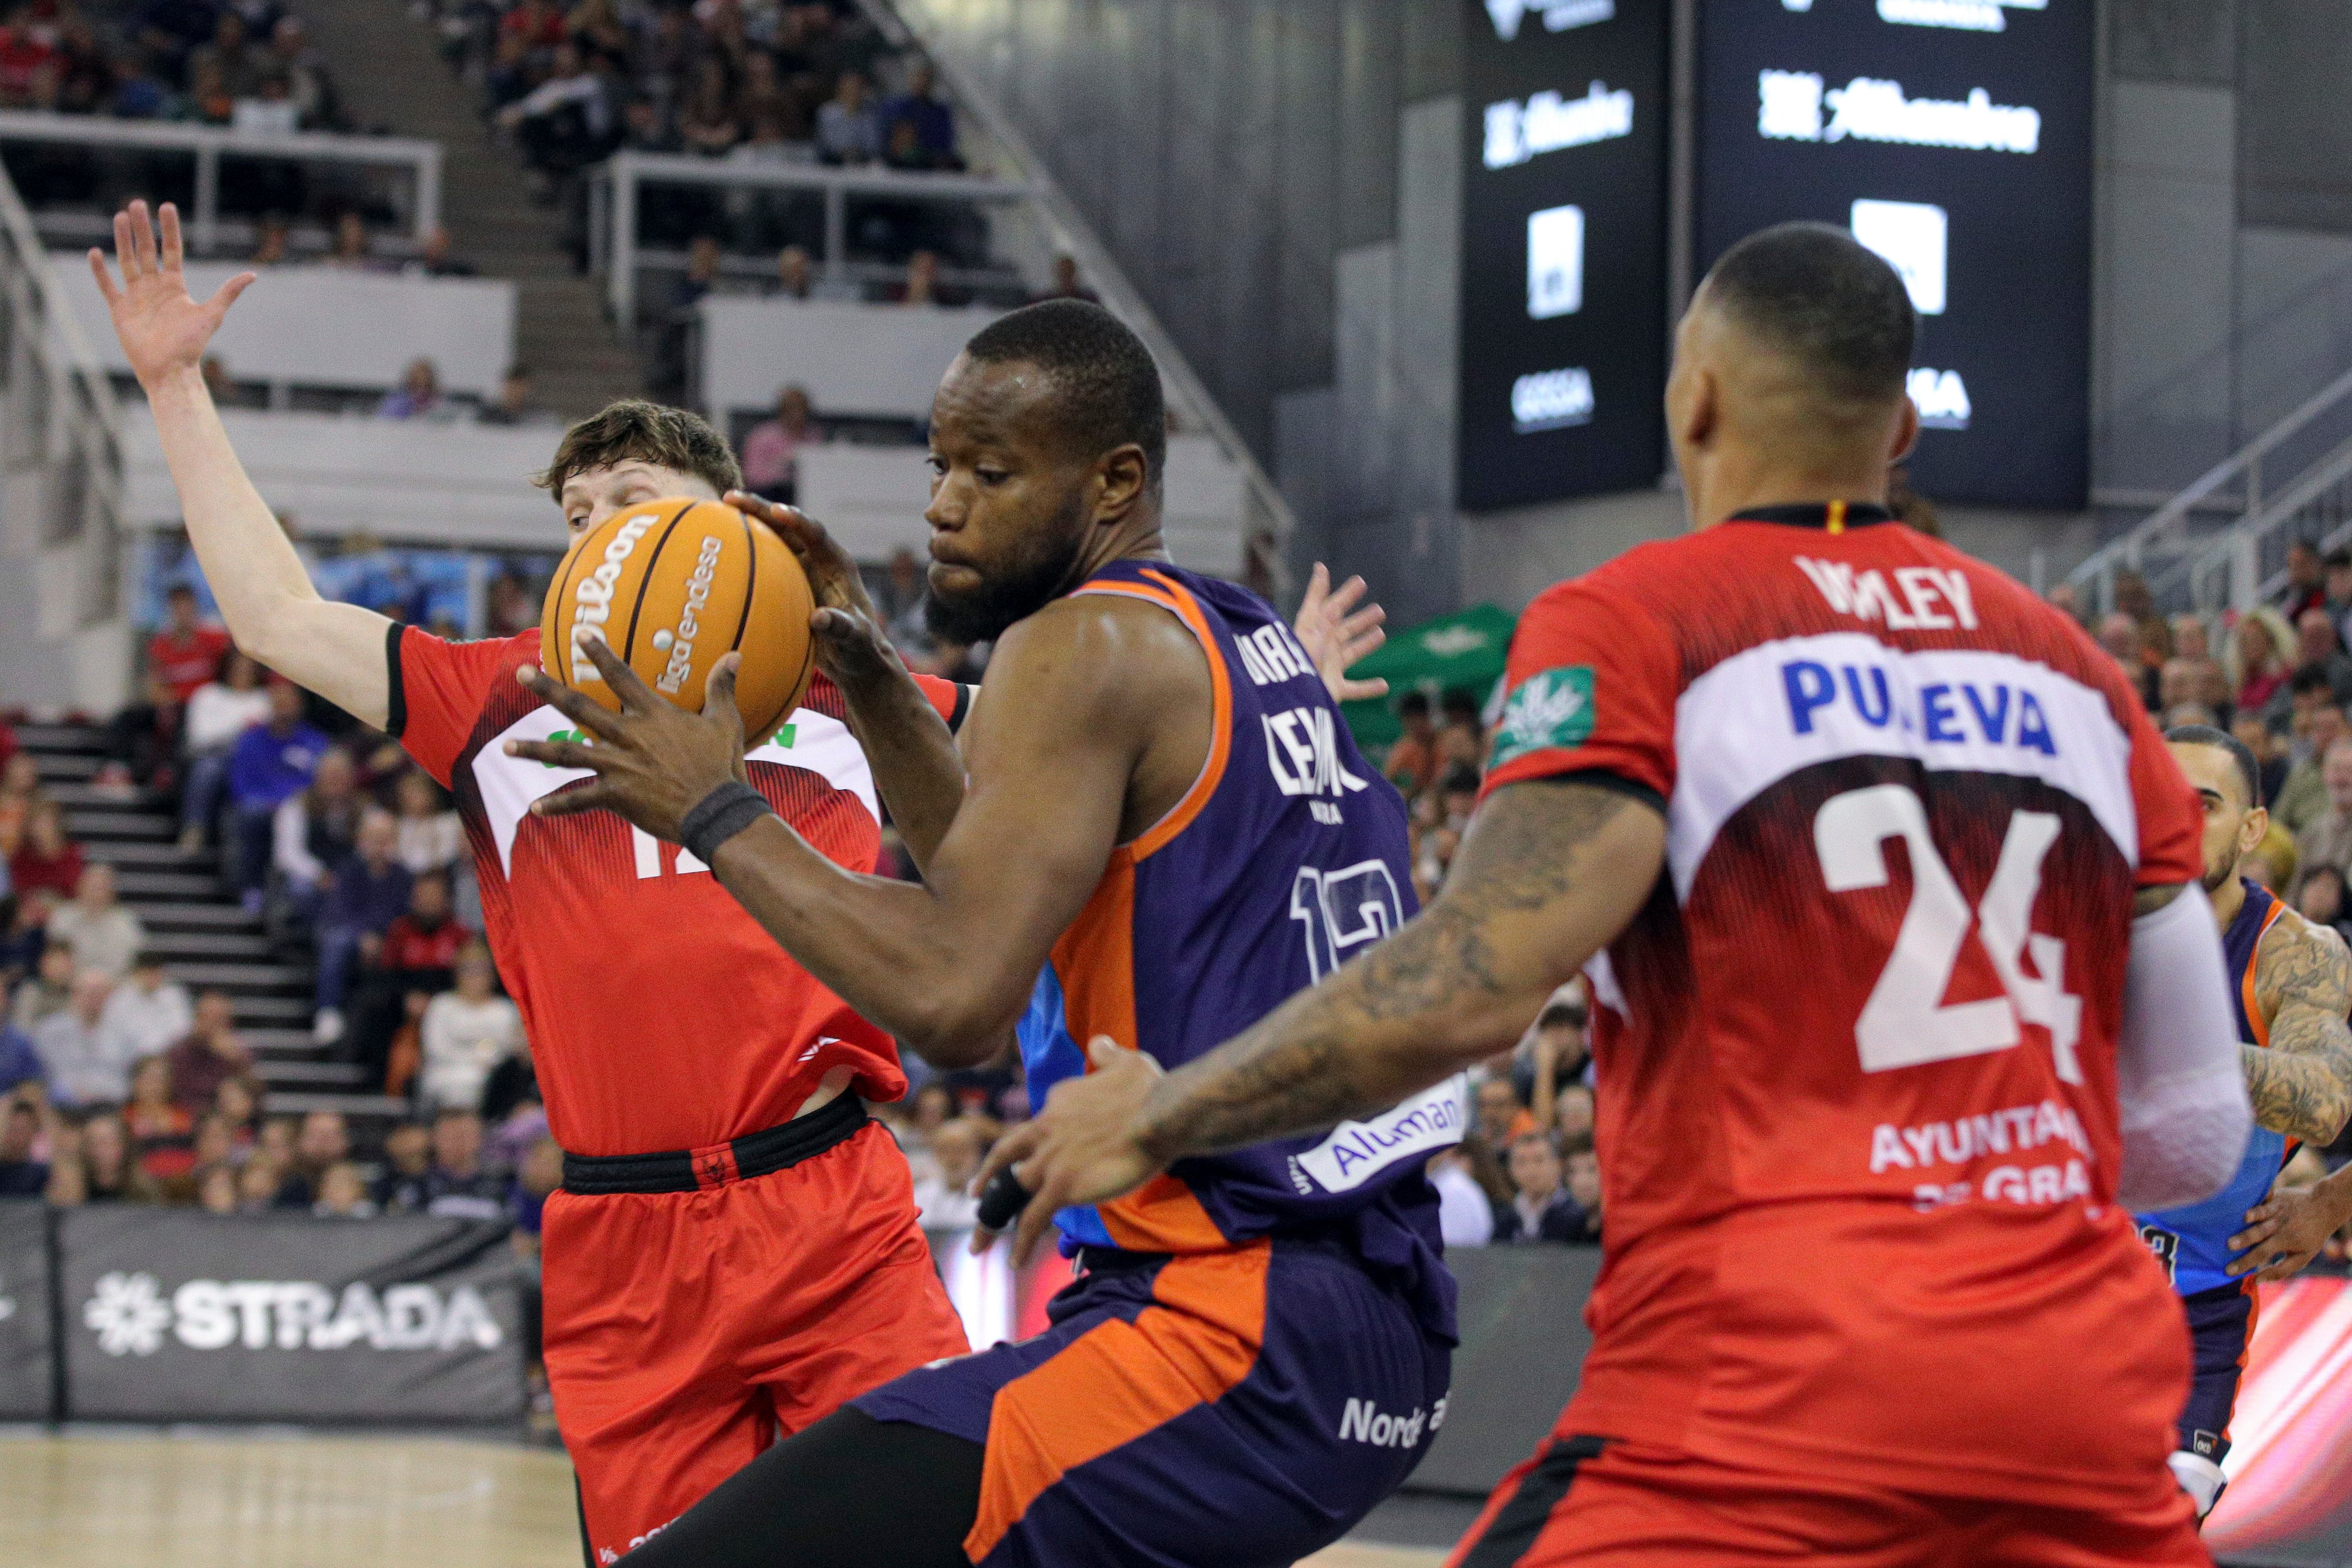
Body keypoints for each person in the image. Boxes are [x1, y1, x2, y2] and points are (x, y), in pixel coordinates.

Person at [94, 202, 1388, 1567]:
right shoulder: (496, 702)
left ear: (729, 537)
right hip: (625, 1232)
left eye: (635, 511)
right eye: (577, 518)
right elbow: (280, 616)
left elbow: (1105, 758)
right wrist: (175, 385)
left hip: (829, 1203)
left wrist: (1259, 683)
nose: (597, 538)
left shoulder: (864, 691)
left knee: (950, 1541)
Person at [979, 225, 2256, 1566]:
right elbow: (2186, 1131)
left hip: (1766, 1399)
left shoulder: (1641, 623)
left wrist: (1165, 1106)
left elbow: (1472, 981)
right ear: (1908, 425)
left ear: (1690, 398)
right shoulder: (2083, 680)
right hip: (2076, 1404)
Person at [510, 298, 1451, 1568]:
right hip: (1361, 1312)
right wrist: (868, 672)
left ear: (1116, 477)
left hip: (1230, 1318)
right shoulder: (1227, 628)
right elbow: (988, 890)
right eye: (939, 465)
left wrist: (712, 806)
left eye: (991, 471)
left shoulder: (1076, 645)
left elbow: (958, 998)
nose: (945, 505)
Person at [2131, 726, 2352, 1518]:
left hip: (2197, 1304)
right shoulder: (2076, 921)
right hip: (2060, 1280)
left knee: (2153, 1526)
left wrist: (2331, 1199)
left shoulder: (2296, 953)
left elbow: (2325, 1097)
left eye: (2205, 805)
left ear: (2253, 828)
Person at [225, 681, 328, 916]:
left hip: (303, 807)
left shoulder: (314, 742)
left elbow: (320, 780)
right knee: (252, 815)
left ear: (300, 706)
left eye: (289, 703)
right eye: (278, 702)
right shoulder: (251, 740)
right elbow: (240, 784)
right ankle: (253, 888)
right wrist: (275, 802)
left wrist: (294, 802)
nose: (283, 708)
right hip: (262, 805)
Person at [310, 809, 411, 1045]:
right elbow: (341, 910)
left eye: (385, 838)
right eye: (374, 838)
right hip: (353, 935)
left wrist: (379, 935)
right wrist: (364, 935)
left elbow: (403, 913)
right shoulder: (348, 870)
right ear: (362, 839)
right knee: (336, 942)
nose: (379, 845)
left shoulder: (403, 876)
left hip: (389, 936)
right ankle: (328, 1012)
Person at [179, 647, 270, 851]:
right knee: (209, 770)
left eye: (248, 671)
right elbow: (199, 739)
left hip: (254, 763)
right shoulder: (208, 695)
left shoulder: (264, 699)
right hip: (215, 756)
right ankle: (195, 827)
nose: (243, 676)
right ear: (227, 669)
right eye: (238, 670)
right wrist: (240, 727)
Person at [417, 941, 522, 1113]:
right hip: (443, 1078)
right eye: (468, 969)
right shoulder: (441, 1005)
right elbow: (436, 1049)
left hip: (490, 1083)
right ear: (457, 973)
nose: (474, 976)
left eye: (480, 969)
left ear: (493, 974)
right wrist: (481, 1054)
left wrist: (472, 1055)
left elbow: (506, 1053)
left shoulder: (505, 1011)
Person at [34, 970, 138, 1108]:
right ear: (75, 995)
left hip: (109, 1107)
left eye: (100, 994)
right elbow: (49, 1075)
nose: (94, 1000)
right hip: (64, 1108)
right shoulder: (51, 1031)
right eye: (90, 993)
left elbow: (126, 1079)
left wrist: (100, 1094)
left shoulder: (124, 1033)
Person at [44, 863, 143, 981]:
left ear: (112, 892)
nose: (96, 893)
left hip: (115, 987)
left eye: (102, 887)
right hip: (70, 986)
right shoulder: (62, 918)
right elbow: (53, 960)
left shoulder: (127, 922)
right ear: (80, 887)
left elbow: (135, 965)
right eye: (92, 886)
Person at [163, 990, 250, 1115]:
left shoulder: (237, 1054)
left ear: (229, 1023)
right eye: (205, 1017)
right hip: (182, 1119)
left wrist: (237, 1062)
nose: (210, 1024)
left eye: (218, 1019)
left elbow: (253, 1097)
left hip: (224, 1121)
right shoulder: (178, 1053)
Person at [147, 582, 231, 706]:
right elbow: (155, 689)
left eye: (186, 605)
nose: (182, 611)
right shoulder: (160, 647)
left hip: (209, 705)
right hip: (178, 707)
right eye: (178, 606)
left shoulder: (215, 639)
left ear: (194, 607)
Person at [1493, 1130, 1583, 1244]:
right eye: (1521, 1162)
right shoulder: (1504, 1219)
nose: (1531, 1170)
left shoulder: (1577, 1216)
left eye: (1539, 1160)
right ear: (1511, 1169)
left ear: (1558, 1165)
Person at [100, 952, 193, 1058]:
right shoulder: (120, 999)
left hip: (166, 1059)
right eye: (148, 972)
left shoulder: (174, 997)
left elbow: (182, 1029)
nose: (152, 977)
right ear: (137, 973)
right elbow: (115, 1034)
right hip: (130, 1058)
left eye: (156, 972)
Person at [739, 384, 816, 504]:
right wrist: (783, 467)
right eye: (791, 409)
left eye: (801, 409)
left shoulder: (813, 437)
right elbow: (752, 476)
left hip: (807, 497)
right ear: (782, 410)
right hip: (770, 497)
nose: (797, 414)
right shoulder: (762, 436)